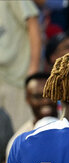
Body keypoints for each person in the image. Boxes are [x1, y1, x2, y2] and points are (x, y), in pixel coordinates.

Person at [0, 1, 42, 131]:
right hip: (3, 77)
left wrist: (32, 72)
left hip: (17, 79)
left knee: (20, 135)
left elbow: (33, 23)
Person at [6, 74, 58, 161]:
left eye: (50, 95)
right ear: (27, 99)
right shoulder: (18, 143)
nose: (45, 101)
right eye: (38, 97)